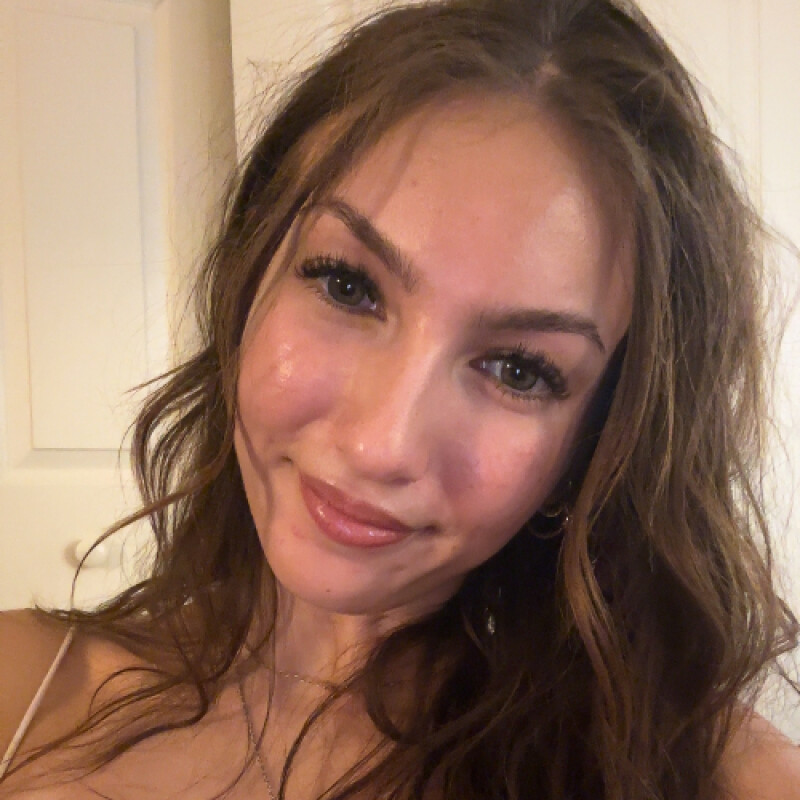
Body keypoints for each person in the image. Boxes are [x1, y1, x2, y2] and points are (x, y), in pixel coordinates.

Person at [1, 0, 799, 797]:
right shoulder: (22, 688)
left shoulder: (705, 775)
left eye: (519, 370)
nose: (380, 443)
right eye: (347, 286)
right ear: (251, 274)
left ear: (598, 438)